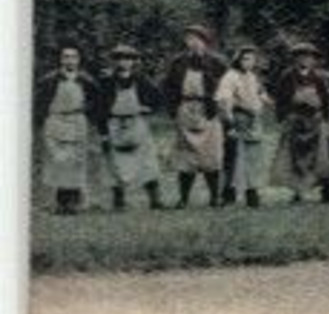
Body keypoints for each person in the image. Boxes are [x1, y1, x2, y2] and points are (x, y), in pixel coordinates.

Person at [163, 24, 228, 209]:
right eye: (189, 39)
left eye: (197, 39)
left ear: (205, 42)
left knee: (211, 157)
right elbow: (168, 87)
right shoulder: (178, 62)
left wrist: (222, 107)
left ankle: (215, 197)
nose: (193, 43)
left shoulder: (217, 62)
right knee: (186, 158)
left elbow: (228, 85)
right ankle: (183, 198)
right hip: (185, 110)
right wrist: (173, 110)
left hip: (208, 111)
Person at [35, 46, 100, 215]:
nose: (69, 60)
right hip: (55, 120)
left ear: (79, 60)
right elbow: (39, 103)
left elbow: (99, 101)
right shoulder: (49, 80)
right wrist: (41, 122)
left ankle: (73, 202)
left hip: (77, 121)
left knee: (76, 162)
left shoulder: (86, 80)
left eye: (73, 57)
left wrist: (90, 112)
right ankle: (59, 202)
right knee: (58, 161)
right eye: (66, 57)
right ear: (60, 60)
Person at [98, 44, 164, 212]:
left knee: (148, 162)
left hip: (137, 123)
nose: (124, 62)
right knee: (115, 164)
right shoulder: (107, 82)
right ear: (114, 61)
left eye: (128, 59)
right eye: (120, 59)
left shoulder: (141, 80)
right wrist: (103, 133)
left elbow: (158, 98)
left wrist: (147, 107)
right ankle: (119, 201)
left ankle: (155, 200)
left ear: (134, 62)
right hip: (114, 125)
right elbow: (99, 109)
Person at [275, 42, 329, 204]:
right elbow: (280, 99)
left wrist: (327, 120)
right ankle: (298, 192)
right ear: (295, 59)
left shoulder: (319, 78)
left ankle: (327, 191)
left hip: (315, 121)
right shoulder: (287, 76)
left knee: (321, 157)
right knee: (295, 157)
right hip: (295, 120)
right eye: (301, 57)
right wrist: (282, 118)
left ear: (314, 60)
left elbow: (326, 100)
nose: (305, 60)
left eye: (309, 57)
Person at [215, 45, 272, 208]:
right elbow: (224, 100)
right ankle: (229, 193)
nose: (249, 62)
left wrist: (269, 102)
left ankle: (252, 192)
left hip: (253, 121)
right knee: (234, 158)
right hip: (237, 119)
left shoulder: (252, 77)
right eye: (246, 58)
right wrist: (229, 122)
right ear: (238, 60)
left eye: (252, 59)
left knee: (253, 157)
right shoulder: (230, 77)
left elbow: (261, 94)